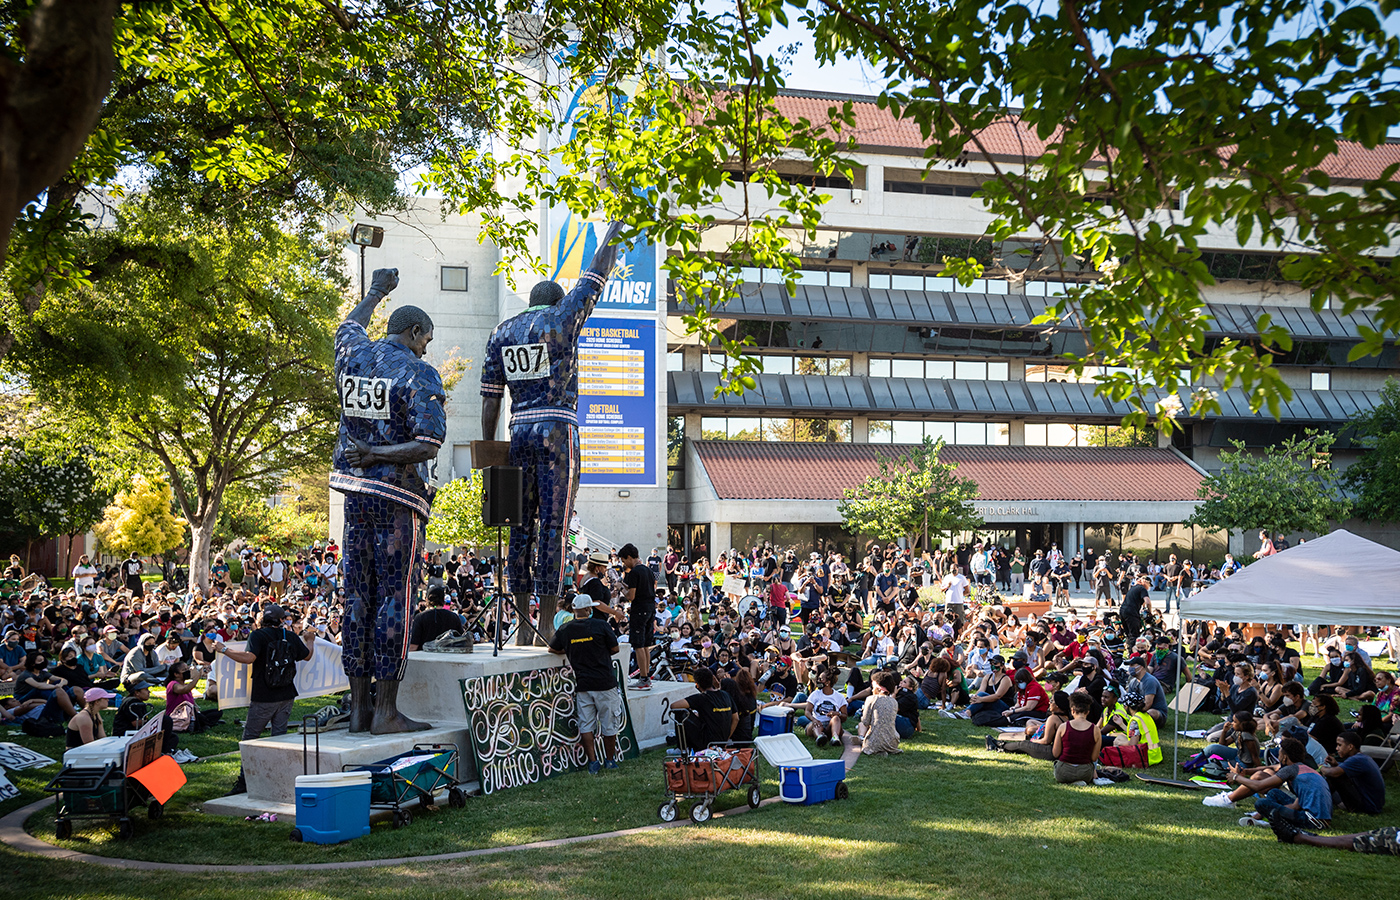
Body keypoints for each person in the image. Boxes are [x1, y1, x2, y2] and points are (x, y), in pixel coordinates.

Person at [480, 221, 624, 644]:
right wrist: (615, 225)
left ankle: (521, 628)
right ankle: (544, 625)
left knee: (518, 525)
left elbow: (490, 398)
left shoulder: (501, 333)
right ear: (557, 303)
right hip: (558, 429)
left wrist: (492, 449)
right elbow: (595, 275)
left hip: (518, 430)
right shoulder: (562, 318)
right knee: (554, 527)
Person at [331, 266, 444, 733]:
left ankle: (358, 708)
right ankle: (385, 711)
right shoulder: (417, 372)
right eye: (426, 340)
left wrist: (376, 290)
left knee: (355, 597)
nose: (425, 349)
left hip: (354, 495)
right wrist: (379, 452)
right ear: (415, 332)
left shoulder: (352, 356)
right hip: (396, 498)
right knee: (393, 599)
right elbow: (428, 442)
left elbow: (348, 326)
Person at [217, 604, 315, 795]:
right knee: (279, 739)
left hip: (264, 696)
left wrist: (224, 650)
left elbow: (248, 658)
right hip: (287, 694)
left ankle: (244, 781)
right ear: (281, 620)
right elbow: (307, 656)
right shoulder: (289, 636)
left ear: (262, 619)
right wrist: (310, 640)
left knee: (250, 739)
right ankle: (277, 780)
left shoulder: (257, 636)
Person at [548, 593, 623, 774]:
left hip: (583, 683)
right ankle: (610, 760)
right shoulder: (600, 625)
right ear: (589, 609)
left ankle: (592, 762)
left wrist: (574, 649)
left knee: (586, 724)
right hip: (605, 682)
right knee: (609, 723)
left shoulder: (566, 629)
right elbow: (615, 648)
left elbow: (552, 648)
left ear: (574, 610)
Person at [1211, 737, 1332, 828]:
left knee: (1262, 804)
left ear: (1284, 757)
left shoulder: (1291, 769)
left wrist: (1236, 777)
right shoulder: (1303, 768)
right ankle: (1264, 818)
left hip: (1314, 821)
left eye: (1279, 753)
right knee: (1274, 792)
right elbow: (1296, 805)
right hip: (1320, 819)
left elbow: (1258, 786)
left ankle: (1269, 819)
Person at [1319, 731, 1386, 815]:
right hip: (1374, 804)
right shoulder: (1362, 758)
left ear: (1350, 747)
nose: (1337, 748)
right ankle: (1322, 799)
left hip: (1369, 807)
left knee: (1333, 776)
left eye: (1340, 745)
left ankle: (1319, 800)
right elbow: (1344, 769)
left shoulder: (1357, 760)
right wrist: (1335, 764)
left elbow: (1333, 773)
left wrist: (1320, 767)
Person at [619, 543, 657, 691]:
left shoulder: (634, 572)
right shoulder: (647, 569)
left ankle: (643, 678)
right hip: (650, 608)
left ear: (629, 557)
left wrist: (621, 588)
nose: (624, 564)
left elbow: (631, 596)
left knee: (639, 645)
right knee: (645, 644)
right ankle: (646, 675)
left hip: (639, 610)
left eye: (624, 560)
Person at [670, 667, 736, 751]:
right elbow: (736, 718)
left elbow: (674, 706)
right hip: (722, 740)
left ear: (697, 684)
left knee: (681, 712)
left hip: (707, 742)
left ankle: (682, 748)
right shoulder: (726, 695)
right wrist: (726, 739)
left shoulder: (702, 698)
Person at [1053, 689, 1101, 785]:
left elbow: (1055, 753)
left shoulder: (1063, 727)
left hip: (1063, 772)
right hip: (1085, 773)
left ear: (1072, 710)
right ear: (1088, 712)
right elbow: (1094, 757)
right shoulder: (1095, 729)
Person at [856, 670, 903, 756]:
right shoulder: (894, 702)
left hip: (874, 742)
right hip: (893, 742)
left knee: (861, 725)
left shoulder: (871, 699)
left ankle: (863, 739)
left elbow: (865, 722)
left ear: (878, 687)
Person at [407, 586, 463, 651]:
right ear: (443, 600)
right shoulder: (454, 617)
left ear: (427, 600)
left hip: (425, 657)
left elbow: (413, 646)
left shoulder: (420, 617)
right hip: (448, 657)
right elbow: (461, 640)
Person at [803, 669, 848, 747]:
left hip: (830, 726)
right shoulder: (815, 694)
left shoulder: (839, 697)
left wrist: (838, 714)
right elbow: (807, 711)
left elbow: (844, 716)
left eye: (821, 679)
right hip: (817, 723)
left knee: (836, 718)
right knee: (816, 724)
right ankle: (820, 737)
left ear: (827, 683)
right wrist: (814, 719)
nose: (818, 681)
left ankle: (835, 738)